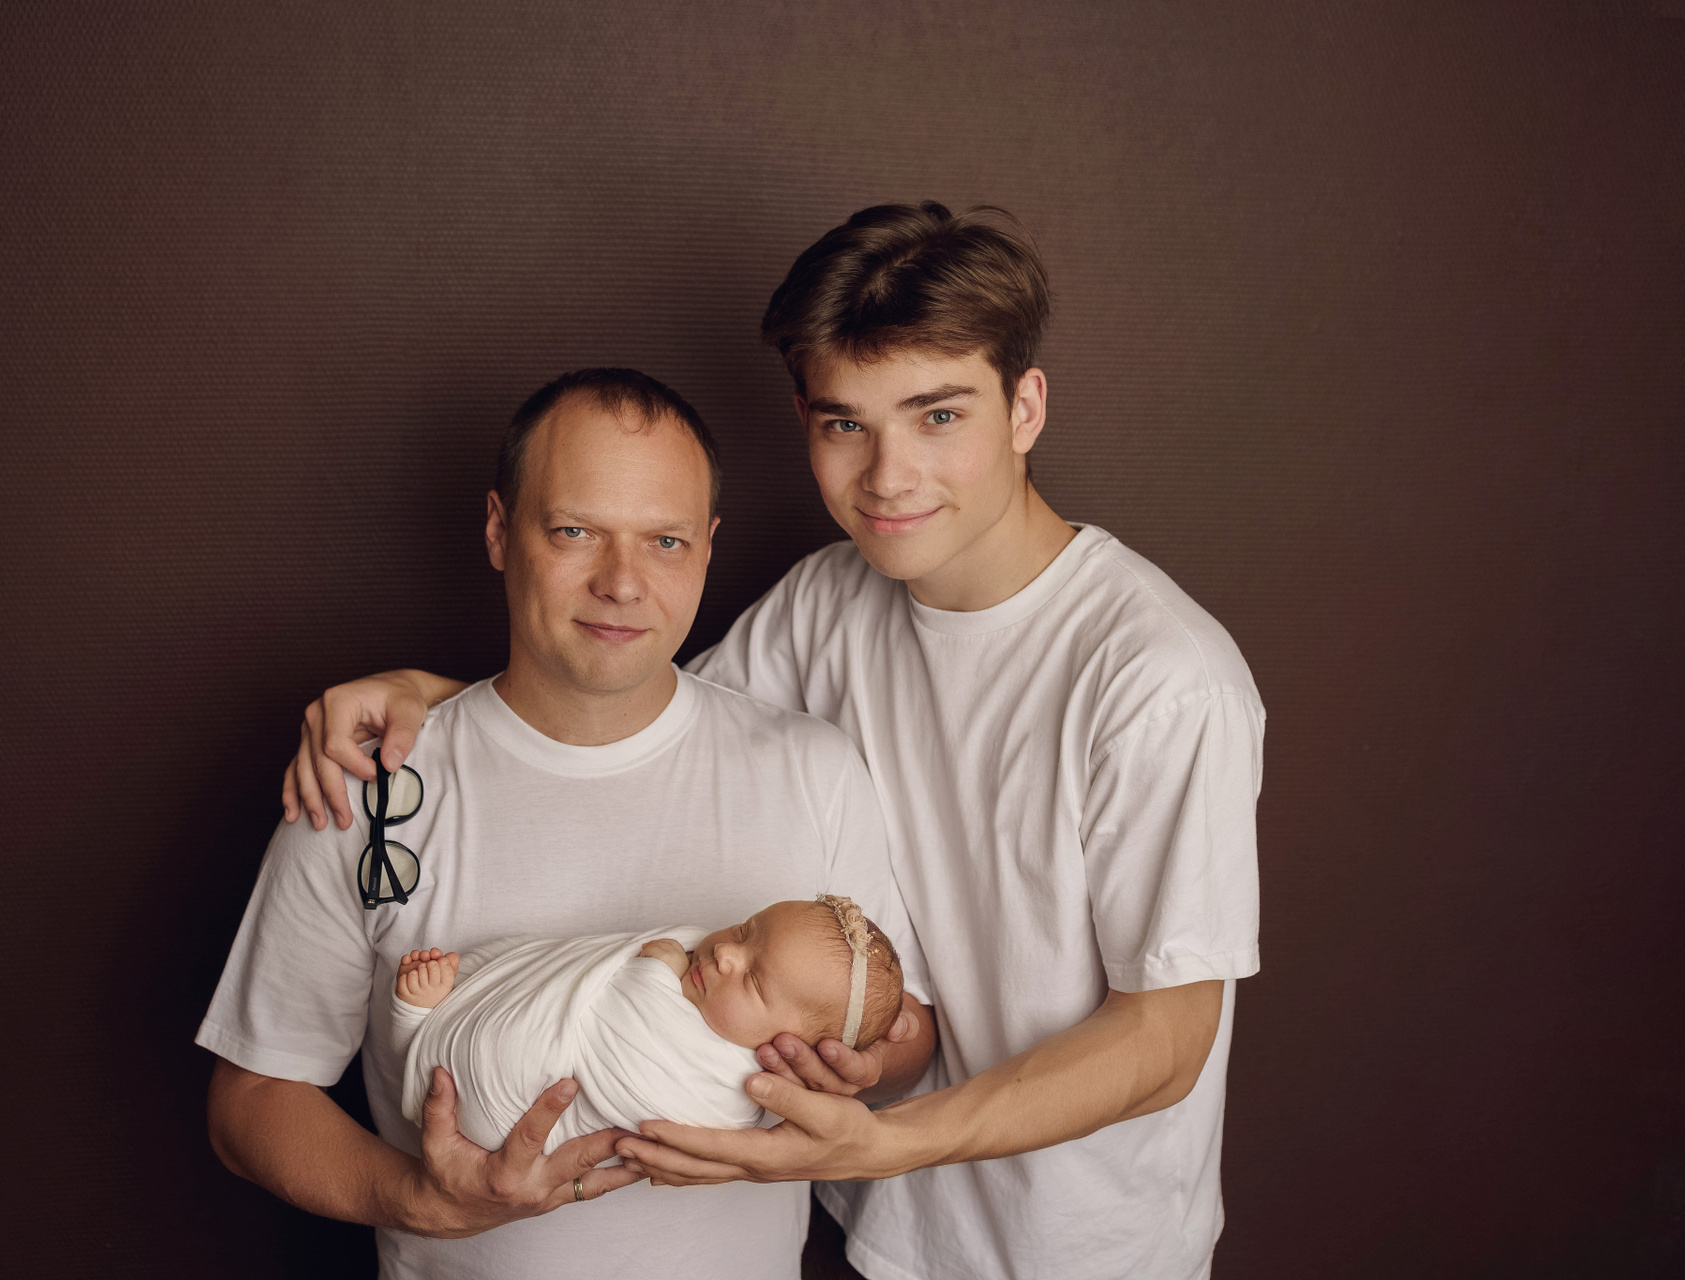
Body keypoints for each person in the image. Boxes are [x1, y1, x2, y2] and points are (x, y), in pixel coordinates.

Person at [287, 202, 1264, 1280]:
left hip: (1075, 1243)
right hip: (876, 1223)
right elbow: (627, 704)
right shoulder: (830, 599)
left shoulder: (1161, 678)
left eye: (938, 416)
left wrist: (889, 1140)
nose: (888, 476)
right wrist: (437, 703)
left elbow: (1167, 1040)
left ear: (1025, 406)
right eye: (846, 424)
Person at [200, 367, 933, 1280]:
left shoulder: (813, 771)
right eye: (575, 531)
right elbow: (251, 1102)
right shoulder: (372, 785)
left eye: (665, 541)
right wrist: (421, 1201)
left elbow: (902, 1038)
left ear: (707, 548)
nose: (622, 584)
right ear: (500, 531)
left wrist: (869, 1070)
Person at [387, 897, 907, 1152]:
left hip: (499, 1117)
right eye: (744, 930)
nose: (725, 953)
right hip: (494, 1048)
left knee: (502, 1049)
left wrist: (655, 970)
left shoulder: (727, 1088)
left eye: (753, 981)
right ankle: (424, 1020)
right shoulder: (703, 969)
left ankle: (419, 1028)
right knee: (524, 983)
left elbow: (630, 1035)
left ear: (798, 1051)